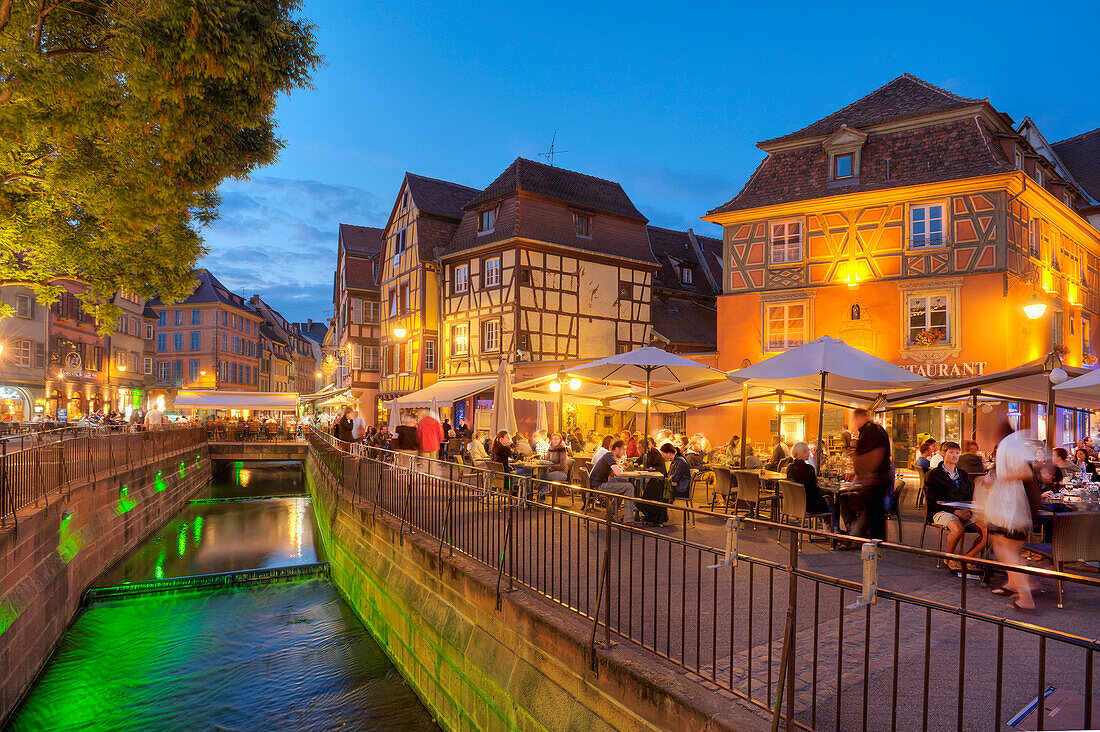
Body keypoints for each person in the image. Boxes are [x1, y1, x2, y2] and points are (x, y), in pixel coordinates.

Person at [977, 428, 1039, 612]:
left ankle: (1025, 595)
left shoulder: (1009, 445)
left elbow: (1024, 472)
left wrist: (1000, 478)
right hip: (1012, 507)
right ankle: (1013, 583)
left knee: (1004, 549)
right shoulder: (1014, 445)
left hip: (1009, 508)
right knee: (1007, 548)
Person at [924, 441, 987, 571]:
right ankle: (950, 558)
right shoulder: (934, 475)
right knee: (958, 528)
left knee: (989, 532)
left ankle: (967, 559)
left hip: (964, 510)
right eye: (951, 452)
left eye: (957, 453)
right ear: (943, 453)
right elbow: (931, 501)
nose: (955, 456)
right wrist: (954, 511)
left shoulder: (963, 474)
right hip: (941, 510)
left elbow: (968, 497)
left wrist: (972, 505)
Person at [850, 408, 892, 541]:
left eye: (855, 419)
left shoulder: (871, 431)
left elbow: (876, 454)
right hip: (876, 478)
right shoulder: (874, 430)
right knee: (868, 509)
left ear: (859, 417)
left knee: (872, 510)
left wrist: (866, 475)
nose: (854, 423)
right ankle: (859, 536)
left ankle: (870, 540)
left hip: (875, 479)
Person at [588, 439, 638, 524]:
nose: (624, 452)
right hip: (598, 487)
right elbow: (618, 473)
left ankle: (610, 515)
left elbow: (614, 473)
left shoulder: (609, 456)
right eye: (623, 449)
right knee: (629, 487)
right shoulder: (609, 456)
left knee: (624, 485)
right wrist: (621, 468)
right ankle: (629, 520)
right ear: (617, 449)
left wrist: (619, 466)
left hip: (596, 485)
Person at [786, 442, 831, 516]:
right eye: (807, 451)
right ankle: (832, 525)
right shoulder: (809, 469)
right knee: (829, 501)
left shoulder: (789, 467)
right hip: (809, 504)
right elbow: (814, 489)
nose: (809, 453)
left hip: (793, 503)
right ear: (802, 453)